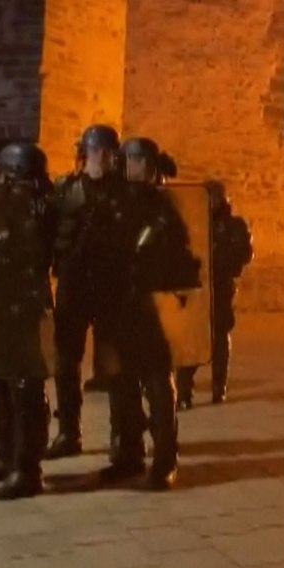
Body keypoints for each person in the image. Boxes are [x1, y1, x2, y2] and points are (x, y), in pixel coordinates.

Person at [101, 136, 199, 489]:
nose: (132, 166)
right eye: (128, 160)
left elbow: (181, 255)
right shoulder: (114, 202)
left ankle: (164, 459)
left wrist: (155, 264)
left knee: (157, 381)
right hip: (119, 303)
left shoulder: (162, 206)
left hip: (152, 303)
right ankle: (128, 454)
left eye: (139, 160)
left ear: (152, 166)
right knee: (120, 381)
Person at [0, 142, 57, 499]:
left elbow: (35, 253)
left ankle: (28, 467)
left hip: (24, 308)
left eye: (3, 173)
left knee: (24, 388)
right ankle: (6, 455)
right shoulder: (2, 207)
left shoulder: (41, 211)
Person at [46, 126, 121, 459]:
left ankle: (123, 434)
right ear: (86, 152)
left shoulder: (123, 192)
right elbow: (48, 231)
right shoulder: (66, 190)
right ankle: (68, 432)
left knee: (115, 361)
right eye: (98, 150)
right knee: (66, 359)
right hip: (74, 283)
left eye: (108, 151)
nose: (103, 157)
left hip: (109, 283)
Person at [178, 180, 253, 410]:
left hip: (220, 288)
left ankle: (218, 387)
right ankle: (184, 392)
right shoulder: (193, 222)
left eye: (214, 196)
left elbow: (244, 253)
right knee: (190, 340)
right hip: (196, 289)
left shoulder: (233, 225)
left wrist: (221, 262)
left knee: (219, 338)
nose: (210, 201)